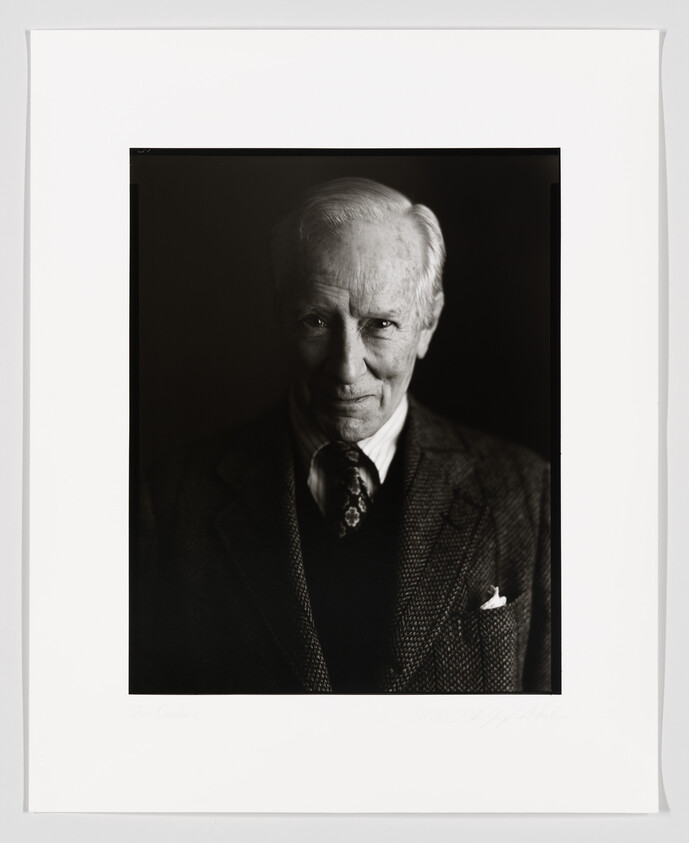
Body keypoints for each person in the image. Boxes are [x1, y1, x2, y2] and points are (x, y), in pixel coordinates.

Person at [131, 177, 552, 694]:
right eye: (315, 320)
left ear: (428, 325)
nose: (346, 370)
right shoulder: (166, 502)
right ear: (280, 316)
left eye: (380, 325)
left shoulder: (527, 493)